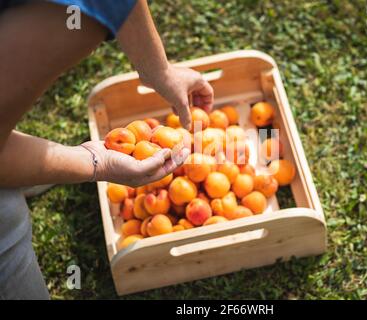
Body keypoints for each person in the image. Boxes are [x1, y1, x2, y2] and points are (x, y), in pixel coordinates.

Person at [0, 0, 213, 299]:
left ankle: (32, 167)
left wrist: (158, 68)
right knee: (6, 226)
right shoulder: (70, 20)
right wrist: (94, 162)